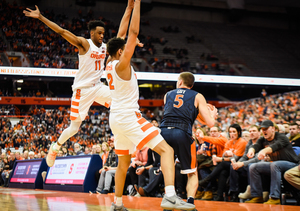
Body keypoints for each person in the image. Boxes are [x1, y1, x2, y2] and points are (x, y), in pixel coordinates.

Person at [105, 1, 194, 210]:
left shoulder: (109, 63)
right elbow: (133, 32)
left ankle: (117, 204)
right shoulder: (121, 64)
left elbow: (122, 34)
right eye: (126, 48)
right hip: (128, 116)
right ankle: (170, 195)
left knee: (123, 163)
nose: (130, 47)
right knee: (166, 151)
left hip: (115, 118)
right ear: (120, 52)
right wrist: (137, 4)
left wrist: (127, 8)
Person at [23, 5, 112, 167]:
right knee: (74, 129)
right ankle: (55, 147)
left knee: (120, 100)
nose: (101, 35)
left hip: (98, 86)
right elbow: (62, 32)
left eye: (103, 33)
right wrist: (41, 17)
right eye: (99, 33)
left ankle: (121, 139)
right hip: (82, 90)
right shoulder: (84, 44)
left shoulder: (106, 47)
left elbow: (121, 39)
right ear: (91, 33)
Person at [159, 71, 217, 206]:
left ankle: (169, 197)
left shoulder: (167, 95)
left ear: (180, 82)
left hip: (163, 132)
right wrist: (212, 114)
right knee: (192, 172)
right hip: (182, 132)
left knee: (168, 167)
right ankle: (190, 202)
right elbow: (210, 123)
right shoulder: (197, 96)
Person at [246, 120, 299, 205]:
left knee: (275, 164)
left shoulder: (282, 137)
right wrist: (251, 150)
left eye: (266, 129)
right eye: (262, 129)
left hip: (292, 165)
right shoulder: (262, 139)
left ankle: (275, 198)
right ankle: (257, 196)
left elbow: (275, 146)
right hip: (277, 165)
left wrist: (264, 151)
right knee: (253, 166)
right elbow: (255, 146)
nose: (264, 131)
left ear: (273, 129)